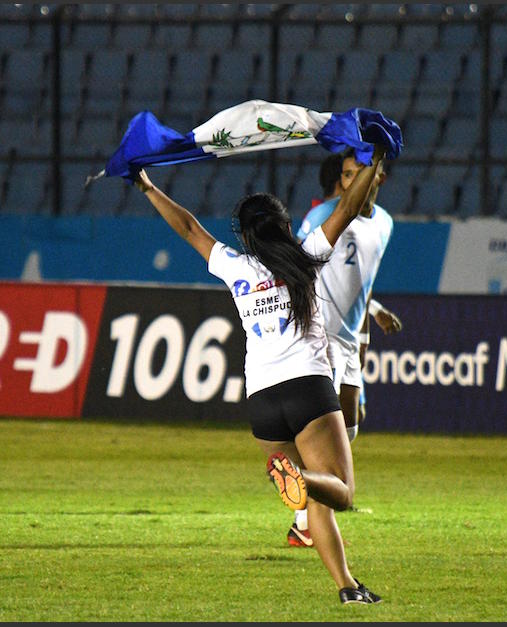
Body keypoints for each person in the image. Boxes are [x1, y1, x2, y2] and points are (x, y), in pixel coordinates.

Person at [132, 144, 387, 605]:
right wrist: (376, 161)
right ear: (285, 225)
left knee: (316, 508)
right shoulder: (307, 254)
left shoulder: (236, 266)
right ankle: (303, 479)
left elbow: (188, 226)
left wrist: (147, 185)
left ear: (245, 237)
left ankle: (348, 588)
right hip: (307, 389)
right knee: (341, 492)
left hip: (262, 402)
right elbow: (350, 207)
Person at [286, 148, 402, 549]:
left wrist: (376, 313)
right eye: (348, 175)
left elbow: (361, 283)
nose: (353, 181)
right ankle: (304, 520)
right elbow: (295, 268)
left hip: (351, 338)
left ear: (379, 179)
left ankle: (313, 493)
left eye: (362, 174)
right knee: (327, 428)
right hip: (320, 335)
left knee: (351, 425)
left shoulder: (384, 224)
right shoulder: (322, 218)